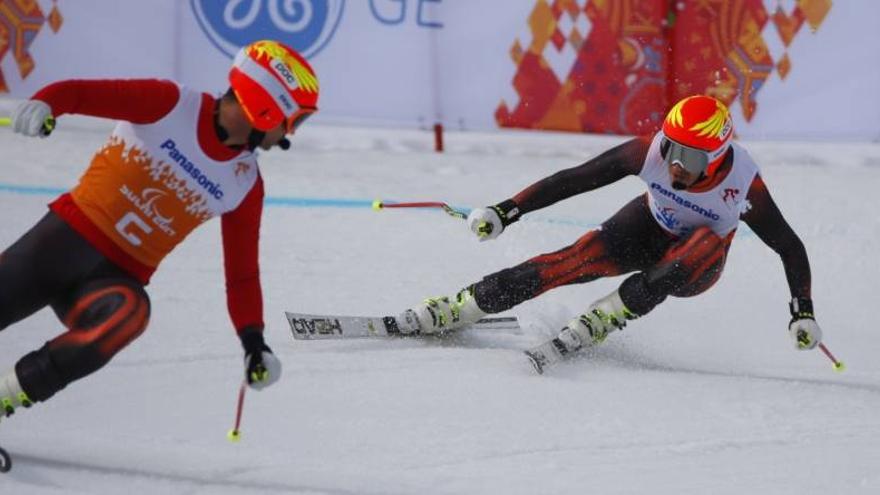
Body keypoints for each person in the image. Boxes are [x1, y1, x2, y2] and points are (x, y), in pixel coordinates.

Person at [0, 40, 319, 418]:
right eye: (295, 120)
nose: (291, 134)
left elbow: (242, 274)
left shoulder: (246, 183)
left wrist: (254, 343)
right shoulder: (171, 104)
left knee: (130, 315)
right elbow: (80, 93)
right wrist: (46, 102)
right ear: (266, 108)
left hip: (108, 284)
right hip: (61, 245)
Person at [397, 95, 823, 372]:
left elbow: (788, 245)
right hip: (648, 226)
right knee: (568, 262)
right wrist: (508, 210)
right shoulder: (649, 150)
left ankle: (605, 317)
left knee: (697, 249)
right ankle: (464, 305)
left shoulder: (744, 184)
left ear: (716, 157)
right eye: (672, 149)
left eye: (689, 157)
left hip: (696, 264)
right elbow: (577, 178)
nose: (675, 164)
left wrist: (802, 311)